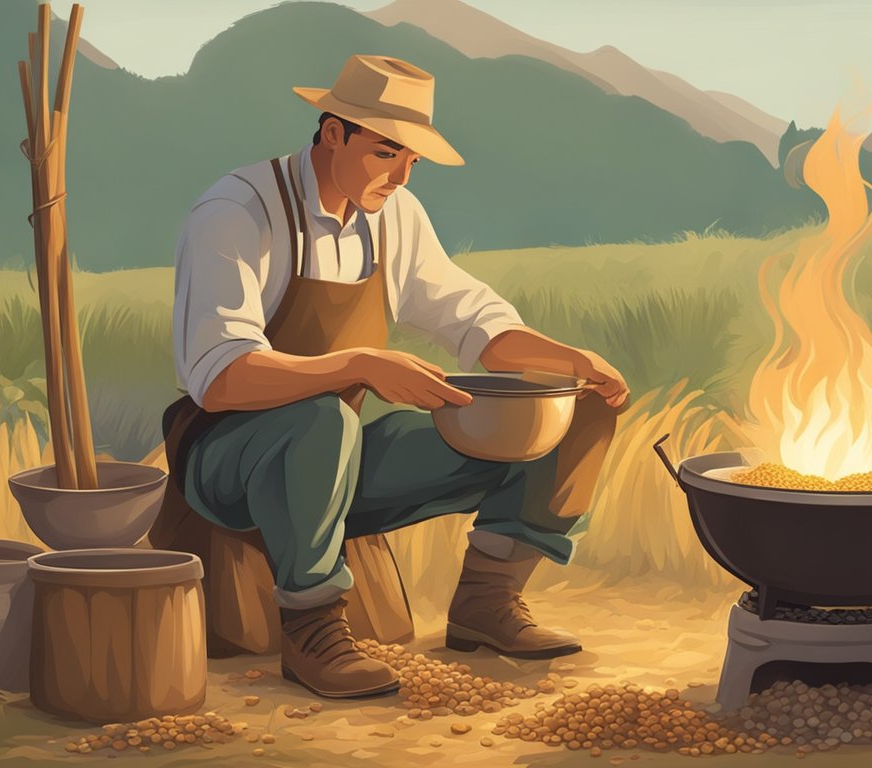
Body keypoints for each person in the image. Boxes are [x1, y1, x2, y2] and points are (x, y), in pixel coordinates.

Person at [161, 54, 628, 699]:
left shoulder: (393, 216)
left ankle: (488, 600)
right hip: (226, 459)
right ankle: (313, 630)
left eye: (414, 160)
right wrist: (359, 365)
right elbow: (219, 375)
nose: (403, 176)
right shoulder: (239, 212)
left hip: (338, 457)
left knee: (576, 405)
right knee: (321, 416)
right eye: (387, 152)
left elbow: (474, 321)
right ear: (332, 133)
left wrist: (569, 361)